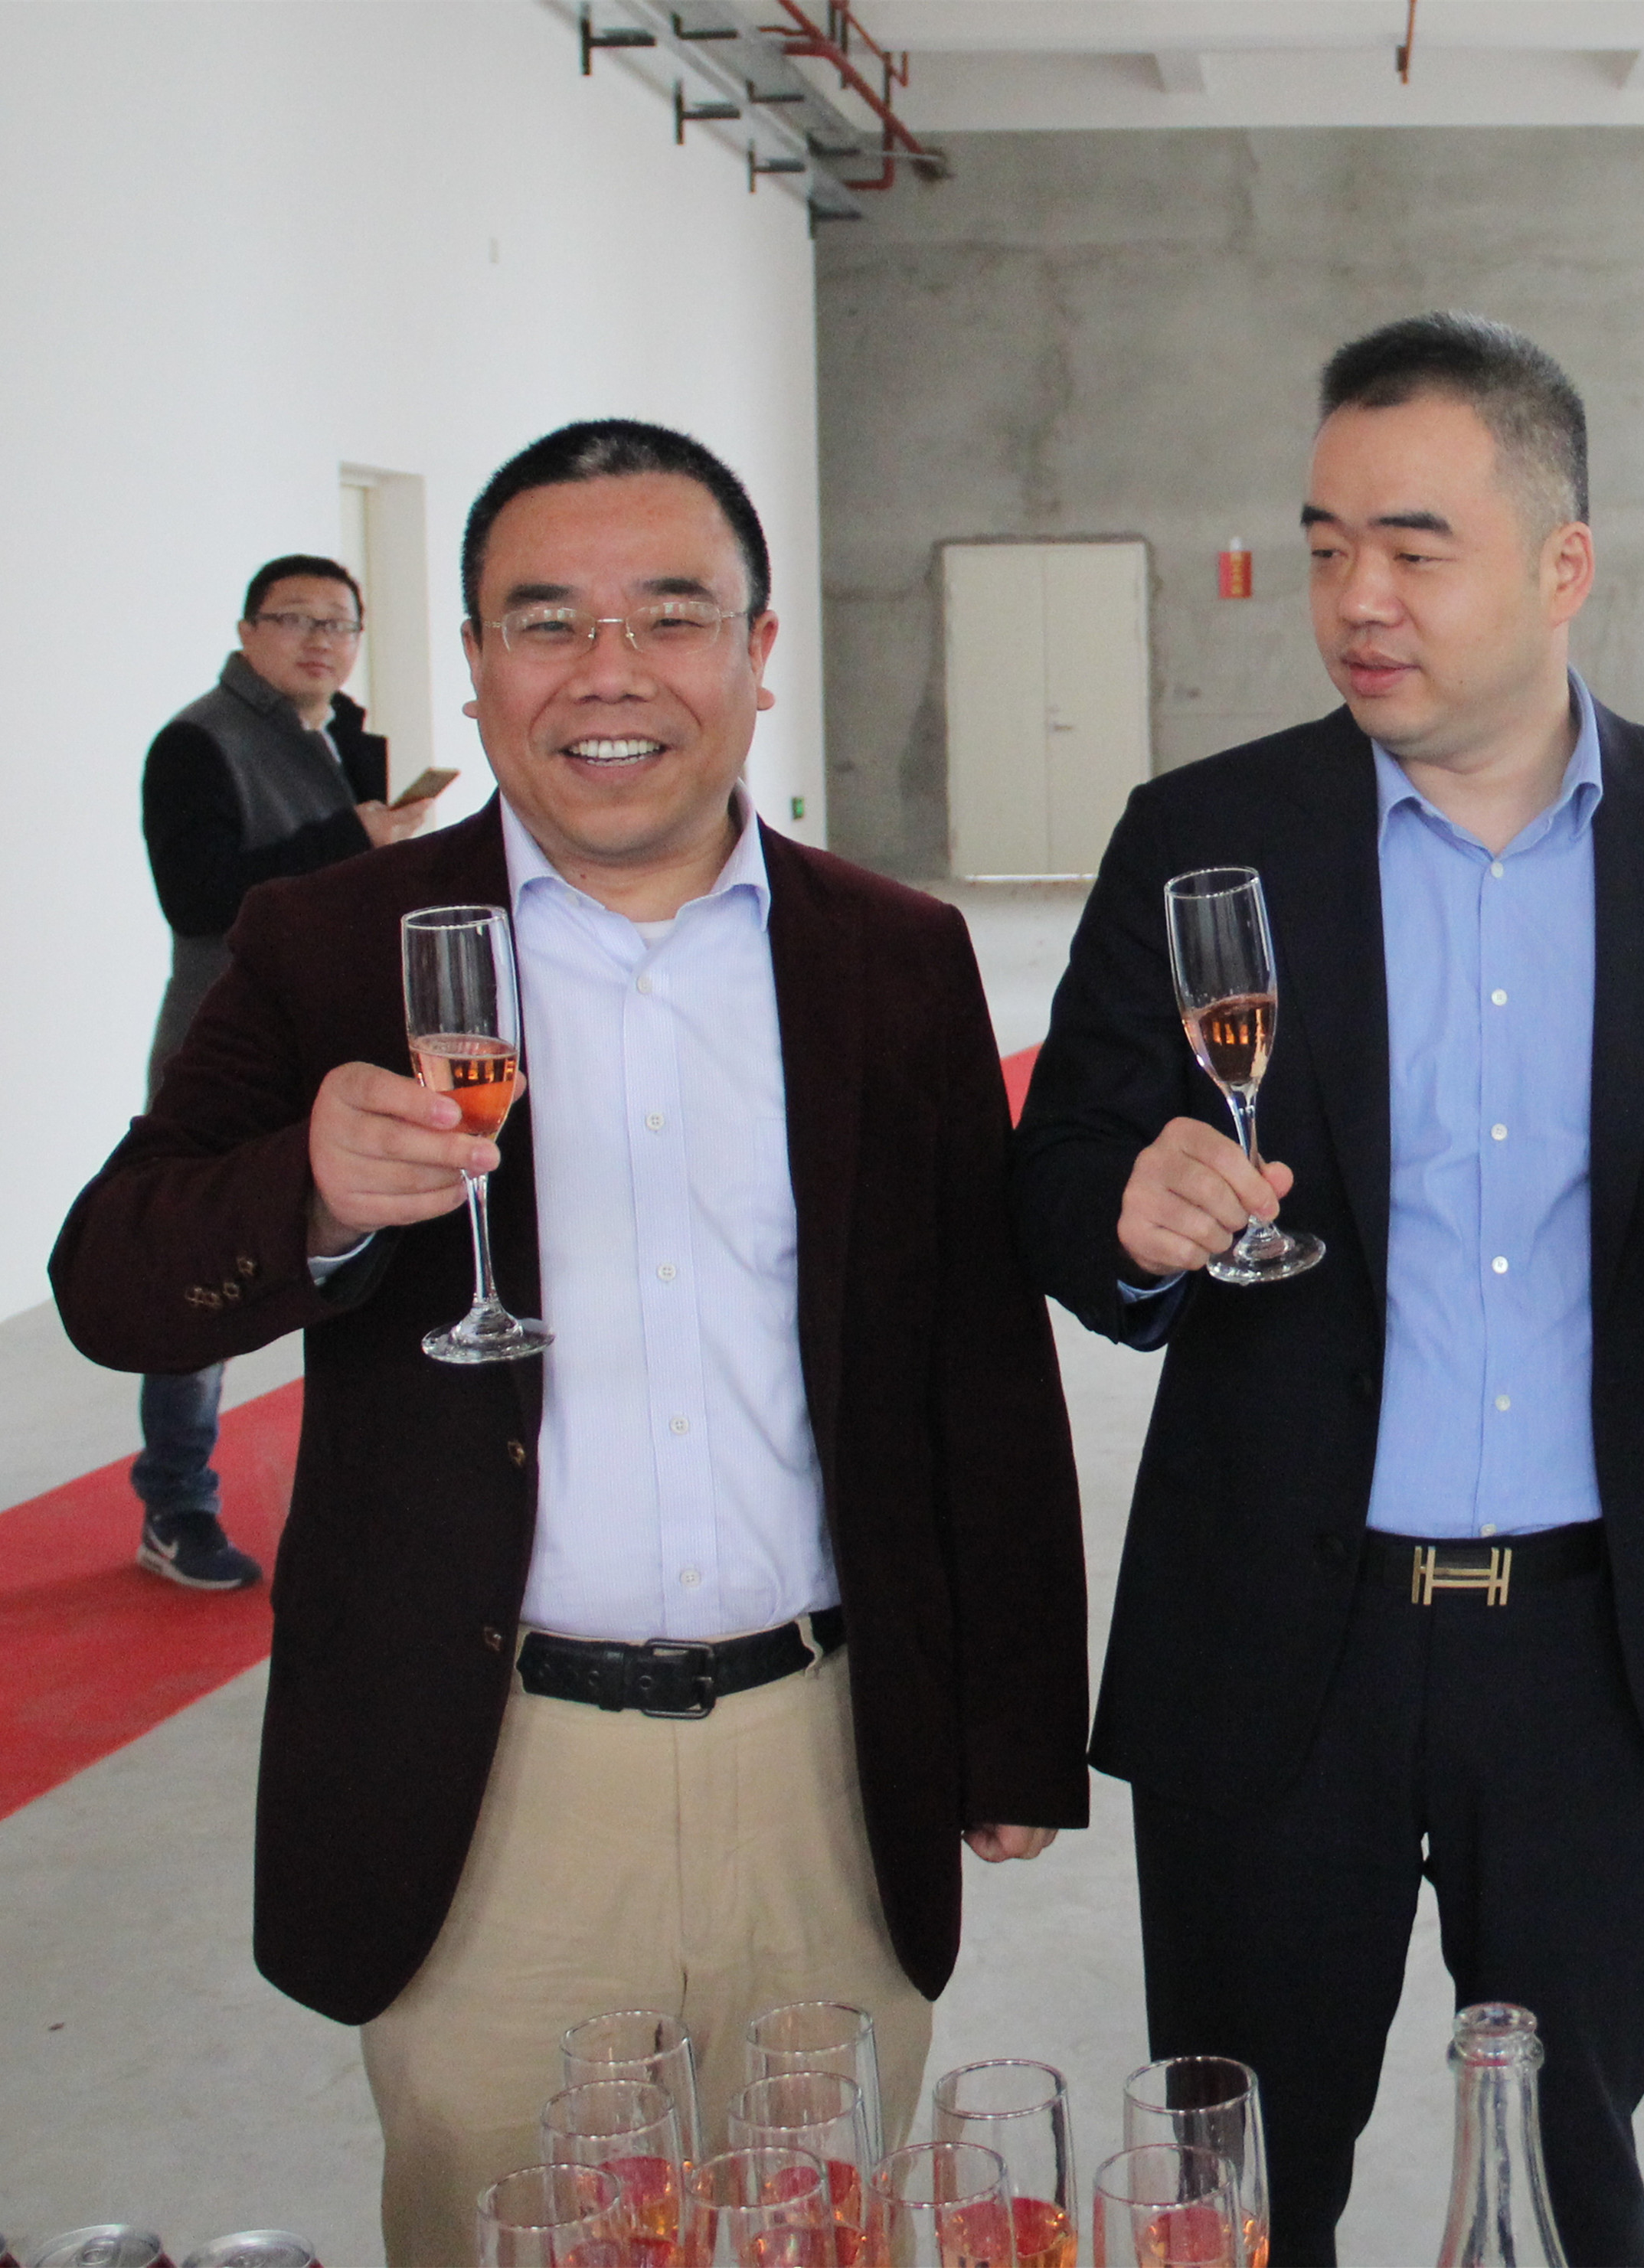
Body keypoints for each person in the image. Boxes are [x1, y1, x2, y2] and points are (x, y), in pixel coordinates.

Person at [53, 420, 1088, 2266]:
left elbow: (975, 1365)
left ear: (756, 652)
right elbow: (111, 1277)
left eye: (669, 615)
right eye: (547, 621)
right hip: (493, 1779)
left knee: (821, 2232)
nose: (609, 672)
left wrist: (1010, 1726)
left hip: (822, 1762)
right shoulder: (329, 941)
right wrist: (307, 1190)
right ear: (473, 662)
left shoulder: (892, 954)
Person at [1012, 312, 1644, 2267]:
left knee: (1562, 2175)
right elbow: (1059, 1174)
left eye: (1415, 547)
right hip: (1276, 1632)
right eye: (1325, 547)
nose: (1356, 599)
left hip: (1594, 1633)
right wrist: (1127, 1219)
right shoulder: (1203, 837)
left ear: (1564, 565)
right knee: (1237, 2190)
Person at [129, 554, 427, 1589]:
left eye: (339, 623)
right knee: (194, 1269)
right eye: (295, 619)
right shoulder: (196, 741)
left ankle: (369, 1491)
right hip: (224, 1043)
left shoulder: (345, 734)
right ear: (248, 631)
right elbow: (197, 896)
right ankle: (176, 1503)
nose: (320, 641)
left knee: (371, 1258)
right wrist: (350, 837)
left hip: (339, 1034)